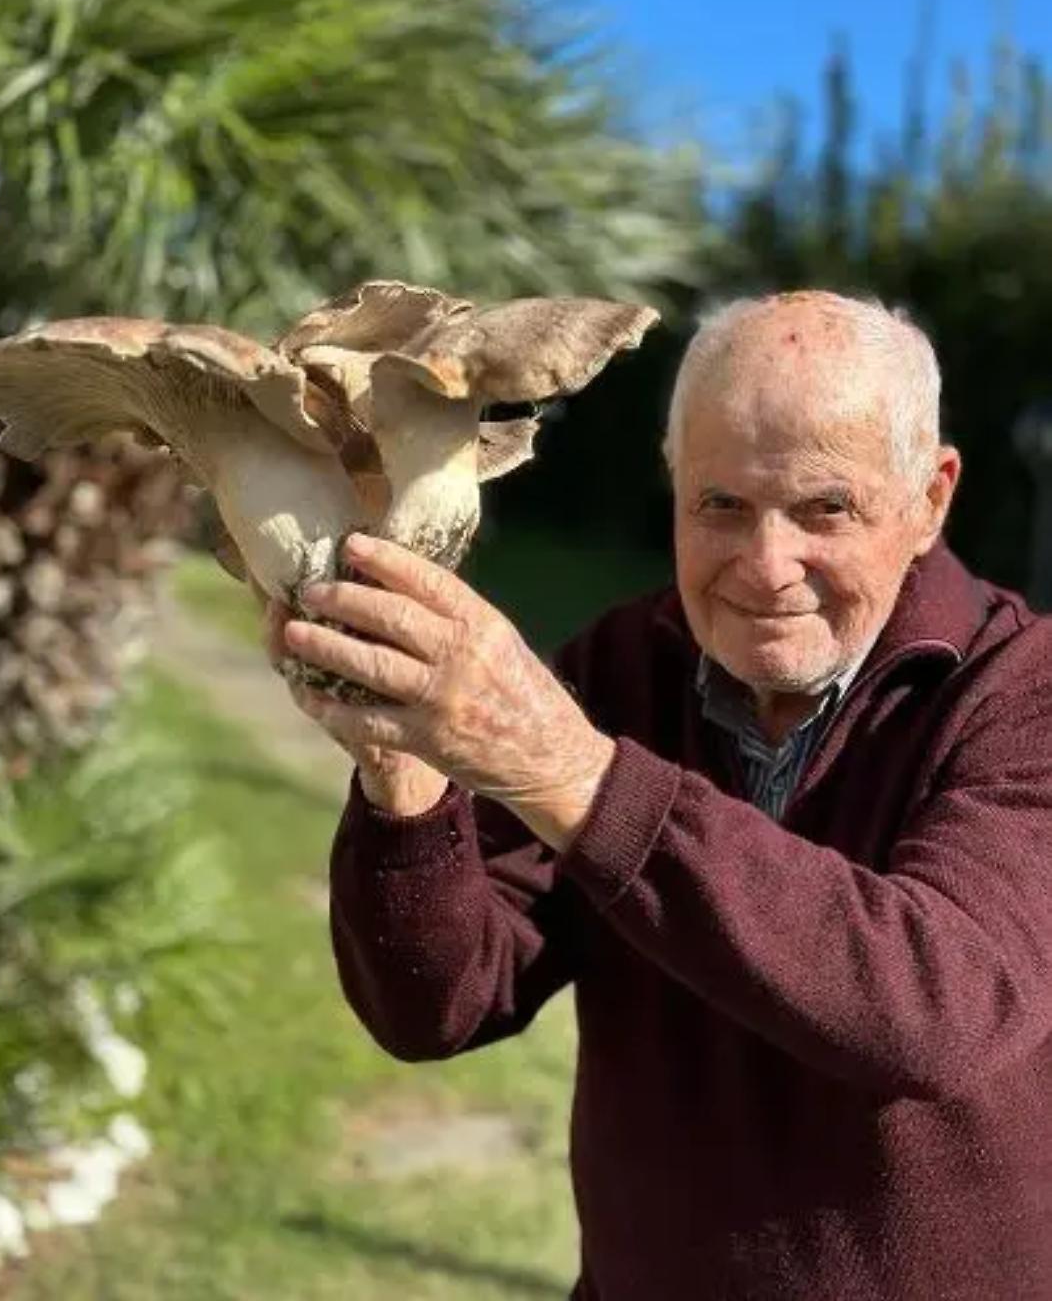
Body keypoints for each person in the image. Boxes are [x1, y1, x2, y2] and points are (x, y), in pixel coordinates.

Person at [263, 289, 1052, 1301]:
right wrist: (403, 764)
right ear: (674, 483)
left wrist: (568, 768)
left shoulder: (1023, 689)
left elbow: (937, 1005)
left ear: (929, 497)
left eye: (825, 509)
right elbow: (440, 1001)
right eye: (721, 505)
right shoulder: (624, 667)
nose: (767, 567)